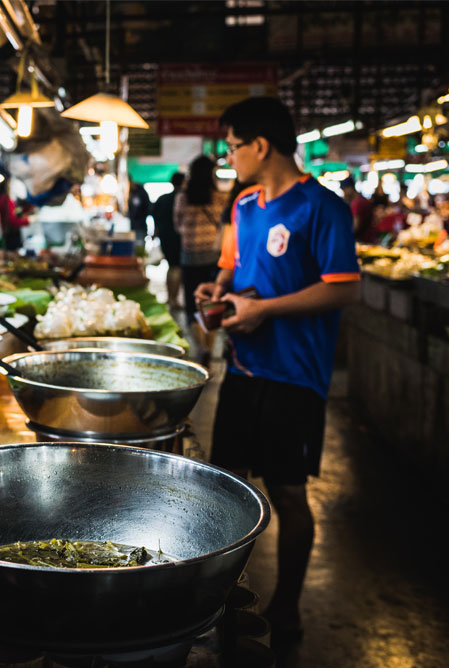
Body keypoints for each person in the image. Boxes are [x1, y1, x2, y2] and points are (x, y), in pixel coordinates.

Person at [195, 96, 360, 649]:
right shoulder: (243, 206)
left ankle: (286, 606)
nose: (230, 158)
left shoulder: (322, 207)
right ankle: (219, 598)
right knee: (227, 489)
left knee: (288, 495)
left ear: (260, 145)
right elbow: (229, 270)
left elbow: (344, 287)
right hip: (243, 368)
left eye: (233, 147)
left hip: (295, 376)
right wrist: (215, 296)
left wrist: (265, 309)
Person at [175, 155, 229, 359]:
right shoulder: (220, 197)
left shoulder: (182, 197)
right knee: (212, 302)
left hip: (190, 257)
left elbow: (177, 225)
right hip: (214, 257)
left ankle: (201, 347)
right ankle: (210, 343)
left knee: (192, 302)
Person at [151, 172, 184, 309]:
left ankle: (171, 298)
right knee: (176, 268)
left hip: (165, 237)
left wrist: (155, 233)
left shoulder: (162, 198)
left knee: (171, 267)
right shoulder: (183, 199)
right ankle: (173, 299)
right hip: (178, 238)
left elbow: (154, 216)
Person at [0, 174, 31, 252]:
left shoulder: (4, 199)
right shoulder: (5, 200)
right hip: (10, 237)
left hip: (8, 235)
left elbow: (14, 212)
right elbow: (11, 220)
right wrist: (27, 220)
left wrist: (24, 210)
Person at [340, 176, 375, 242]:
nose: (344, 193)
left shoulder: (357, 203)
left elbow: (355, 227)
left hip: (363, 241)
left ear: (350, 188)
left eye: (344, 190)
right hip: (369, 239)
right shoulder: (363, 200)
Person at [127, 180, 151, 245]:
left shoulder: (141, 193)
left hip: (140, 226)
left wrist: (138, 217)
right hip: (133, 226)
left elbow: (148, 209)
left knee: (139, 246)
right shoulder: (131, 192)